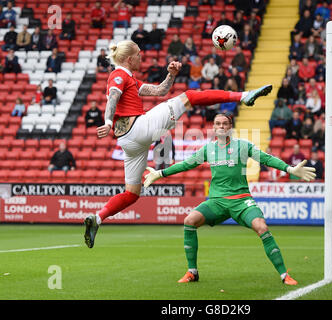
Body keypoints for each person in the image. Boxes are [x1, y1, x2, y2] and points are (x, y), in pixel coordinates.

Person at [82, 40, 274, 249]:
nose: (141, 57)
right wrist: (108, 121)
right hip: (138, 128)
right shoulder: (118, 74)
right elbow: (113, 96)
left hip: (129, 142)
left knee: (132, 193)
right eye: (138, 54)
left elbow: (160, 91)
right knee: (189, 97)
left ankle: (98, 218)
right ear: (129, 58)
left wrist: (171, 75)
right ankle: (243, 96)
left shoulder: (130, 79)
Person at [143, 113, 316, 285]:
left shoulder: (242, 146)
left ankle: (284, 275)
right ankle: (192, 272)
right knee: (189, 220)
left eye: (225, 123)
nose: (221, 126)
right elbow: (186, 164)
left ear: (230, 127)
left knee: (261, 227)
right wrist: (160, 173)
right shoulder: (208, 149)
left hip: (241, 200)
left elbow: (266, 158)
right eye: (218, 123)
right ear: (214, 128)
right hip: (217, 201)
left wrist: (289, 169)